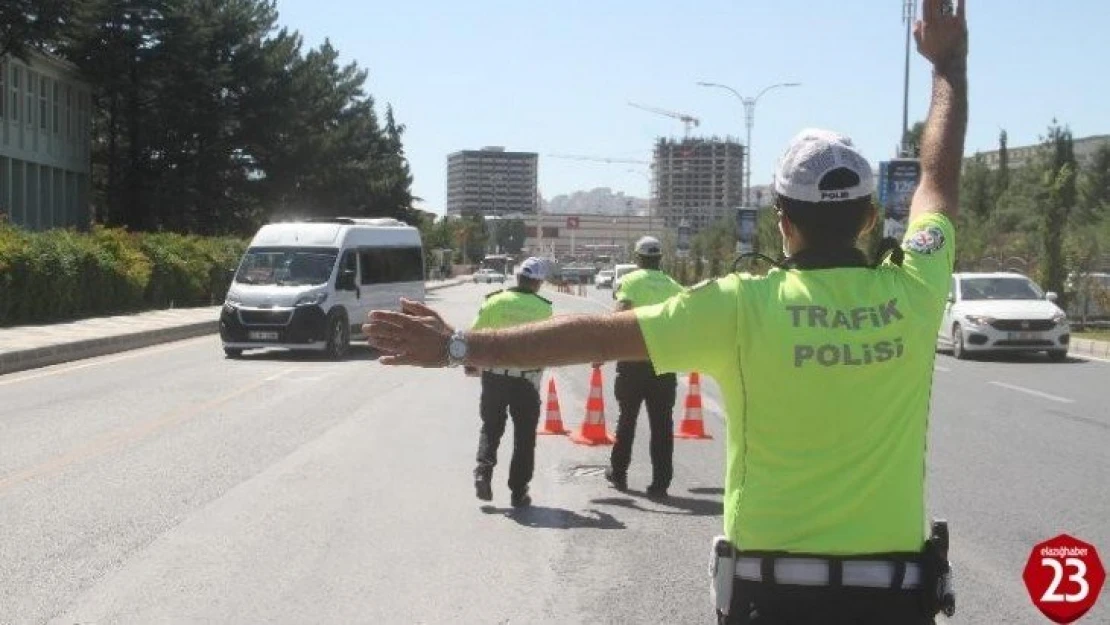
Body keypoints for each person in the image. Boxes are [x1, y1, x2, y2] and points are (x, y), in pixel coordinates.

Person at [364, 1, 966, 621]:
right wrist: (949, 66)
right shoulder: (916, 288)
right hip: (893, 601)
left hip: (772, 598)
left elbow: (587, 336)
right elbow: (937, 181)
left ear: (783, 224)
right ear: (871, 217)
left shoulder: (742, 305)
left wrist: (457, 347)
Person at [468, 257, 553, 509]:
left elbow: (474, 336)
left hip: (494, 378)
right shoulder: (544, 308)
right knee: (525, 438)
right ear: (538, 283)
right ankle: (518, 492)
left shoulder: (494, 301)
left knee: (491, 427)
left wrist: (471, 365)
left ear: (517, 278)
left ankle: (483, 471)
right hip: (526, 382)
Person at [601, 236, 684, 497]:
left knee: (627, 420)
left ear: (638, 258)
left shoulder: (631, 281)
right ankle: (660, 482)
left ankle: (619, 473)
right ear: (660, 258)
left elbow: (621, 313)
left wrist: (604, 348)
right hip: (664, 362)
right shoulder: (674, 286)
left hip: (632, 363)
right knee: (662, 424)